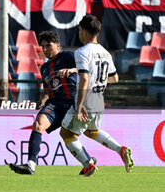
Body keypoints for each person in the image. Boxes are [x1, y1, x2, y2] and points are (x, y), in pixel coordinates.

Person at [59, 15, 134, 176]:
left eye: (80, 30)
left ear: (85, 32)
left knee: (66, 133)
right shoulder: (105, 53)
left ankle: (88, 164)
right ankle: (120, 149)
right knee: (91, 131)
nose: (79, 33)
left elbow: (85, 79)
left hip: (86, 99)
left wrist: (79, 105)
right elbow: (115, 78)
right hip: (99, 99)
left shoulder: (81, 52)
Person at [9, 30, 84, 175]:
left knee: (80, 134)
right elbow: (48, 90)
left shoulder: (68, 56)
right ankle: (30, 165)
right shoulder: (44, 68)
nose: (45, 50)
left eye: (48, 46)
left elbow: (85, 69)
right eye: (42, 47)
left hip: (71, 104)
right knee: (38, 124)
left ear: (57, 45)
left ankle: (88, 162)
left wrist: (72, 70)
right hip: (55, 104)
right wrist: (42, 101)